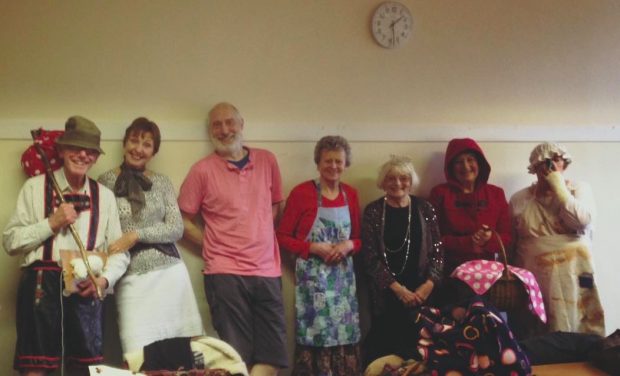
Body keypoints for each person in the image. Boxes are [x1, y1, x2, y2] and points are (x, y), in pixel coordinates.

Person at [3, 116, 130, 375]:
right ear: (61, 150)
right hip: (40, 289)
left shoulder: (105, 197)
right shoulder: (33, 188)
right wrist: (51, 223)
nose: (82, 155)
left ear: (95, 157)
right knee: (36, 366)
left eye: (90, 151)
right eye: (75, 147)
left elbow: (120, 252)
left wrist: (104, 281)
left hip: (86, 290)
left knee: (85, 369)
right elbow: (10, 242)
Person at [178, 102, 288, 376]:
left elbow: (276, 206)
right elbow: (182, 220)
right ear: (210, 131)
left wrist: (257, 231)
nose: (224, 129)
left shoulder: (267, 160)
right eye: (217, 125)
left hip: (267, 271)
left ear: (241, 124)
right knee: (235, 359)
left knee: (272, 358)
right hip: (225, 274)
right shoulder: (201, 170)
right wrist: (214, 247)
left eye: (230, 122)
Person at [98, 118, 205, 371]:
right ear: (124, 144)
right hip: (128, 272)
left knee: (178, 350)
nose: (139, 148)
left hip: (169, 273)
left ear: (154, 152)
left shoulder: (163, 182)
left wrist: (136, 235)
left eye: (147, 144)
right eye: (134, 141)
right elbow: (103, 228)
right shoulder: (105, 181)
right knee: (135, 352)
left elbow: (176, 228)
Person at [277, 135, 362, 375]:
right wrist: (312, 248)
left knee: (343, 335)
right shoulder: (302, 193)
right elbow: (281, 236)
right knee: (315, 335)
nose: (333, 166)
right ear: (318, 162)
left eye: (338, 161)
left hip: (344, 284)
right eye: (328, 161)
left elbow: (360, 239)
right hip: (314, 283)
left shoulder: (351, 195)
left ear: (345, 164)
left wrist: (348, 246)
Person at [510, 142, 605, 336]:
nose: (550, 166)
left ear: (565, 164)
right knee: (537, 327)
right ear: (534, 168)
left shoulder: (578, 190)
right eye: (544, 162)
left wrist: (559, 187)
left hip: (575, 271)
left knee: (577, 320)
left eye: (556, 160)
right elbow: (514, 239)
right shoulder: (520, 199)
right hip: (535, 274)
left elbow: (582, 220)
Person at [361, 155, 444, 365]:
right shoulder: (373, 211)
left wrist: (428, 286)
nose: (398, 183)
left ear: (411, 180)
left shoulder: (425, 209)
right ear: (383, 181)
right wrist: (399, 290)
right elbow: (370, 258)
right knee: (385, 355)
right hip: (387, 296)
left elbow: (438, 252)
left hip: (422, 296)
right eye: (391, 178)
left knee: (419, 354)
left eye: (404, 178)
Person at [428, 138, 512, 305]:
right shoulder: (439, 194)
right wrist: (466, 243)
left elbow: (508, 237)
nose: (465, 167)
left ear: (480, 163)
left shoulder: (496, 194)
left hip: (488, 275)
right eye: (459, 162)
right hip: (451, 273)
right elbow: (432, 239)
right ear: (451, 167)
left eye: (470, 160)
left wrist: (489, 240)